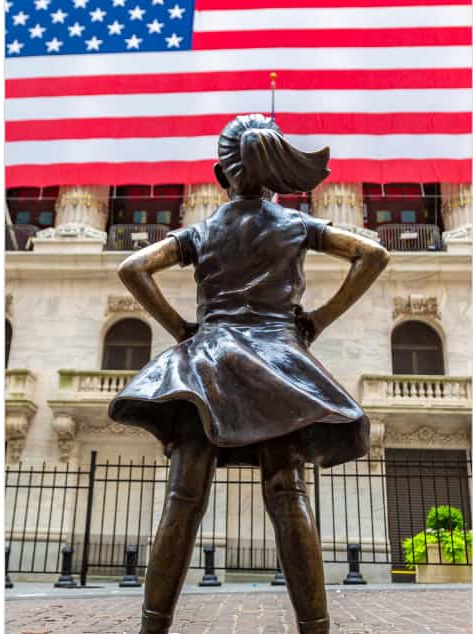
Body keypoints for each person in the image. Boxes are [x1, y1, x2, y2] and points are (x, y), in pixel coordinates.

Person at [109, 114, 390, 634]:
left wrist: (181, 329)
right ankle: (315, 627)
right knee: (287, 492)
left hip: (208, 363)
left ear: (222, 174)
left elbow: (132, 268)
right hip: (278, 363)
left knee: (184, 497)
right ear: (275, 174)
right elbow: (373, 253)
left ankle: (153, 627)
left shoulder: (203, 229)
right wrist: (320, 320)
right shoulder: (295, 225)